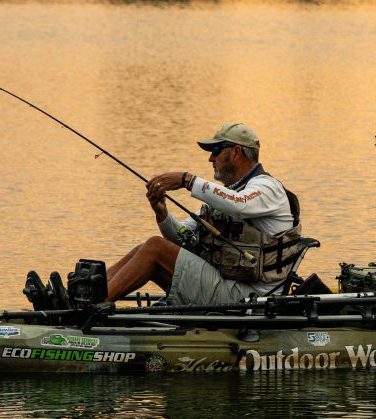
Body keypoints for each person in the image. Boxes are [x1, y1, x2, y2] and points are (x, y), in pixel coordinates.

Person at [103, 122, 302, 305]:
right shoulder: (227, 195)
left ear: (236, 152)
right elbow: (180, 238)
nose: (210, 158)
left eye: (215, 150)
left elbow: (239, 204)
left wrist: (187, 180)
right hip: (228, 285)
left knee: (155, 247)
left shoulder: (267, 187)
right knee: (145, 248)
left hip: (251, 296)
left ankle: (96, 304)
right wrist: (162, 213)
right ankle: (91, 293)